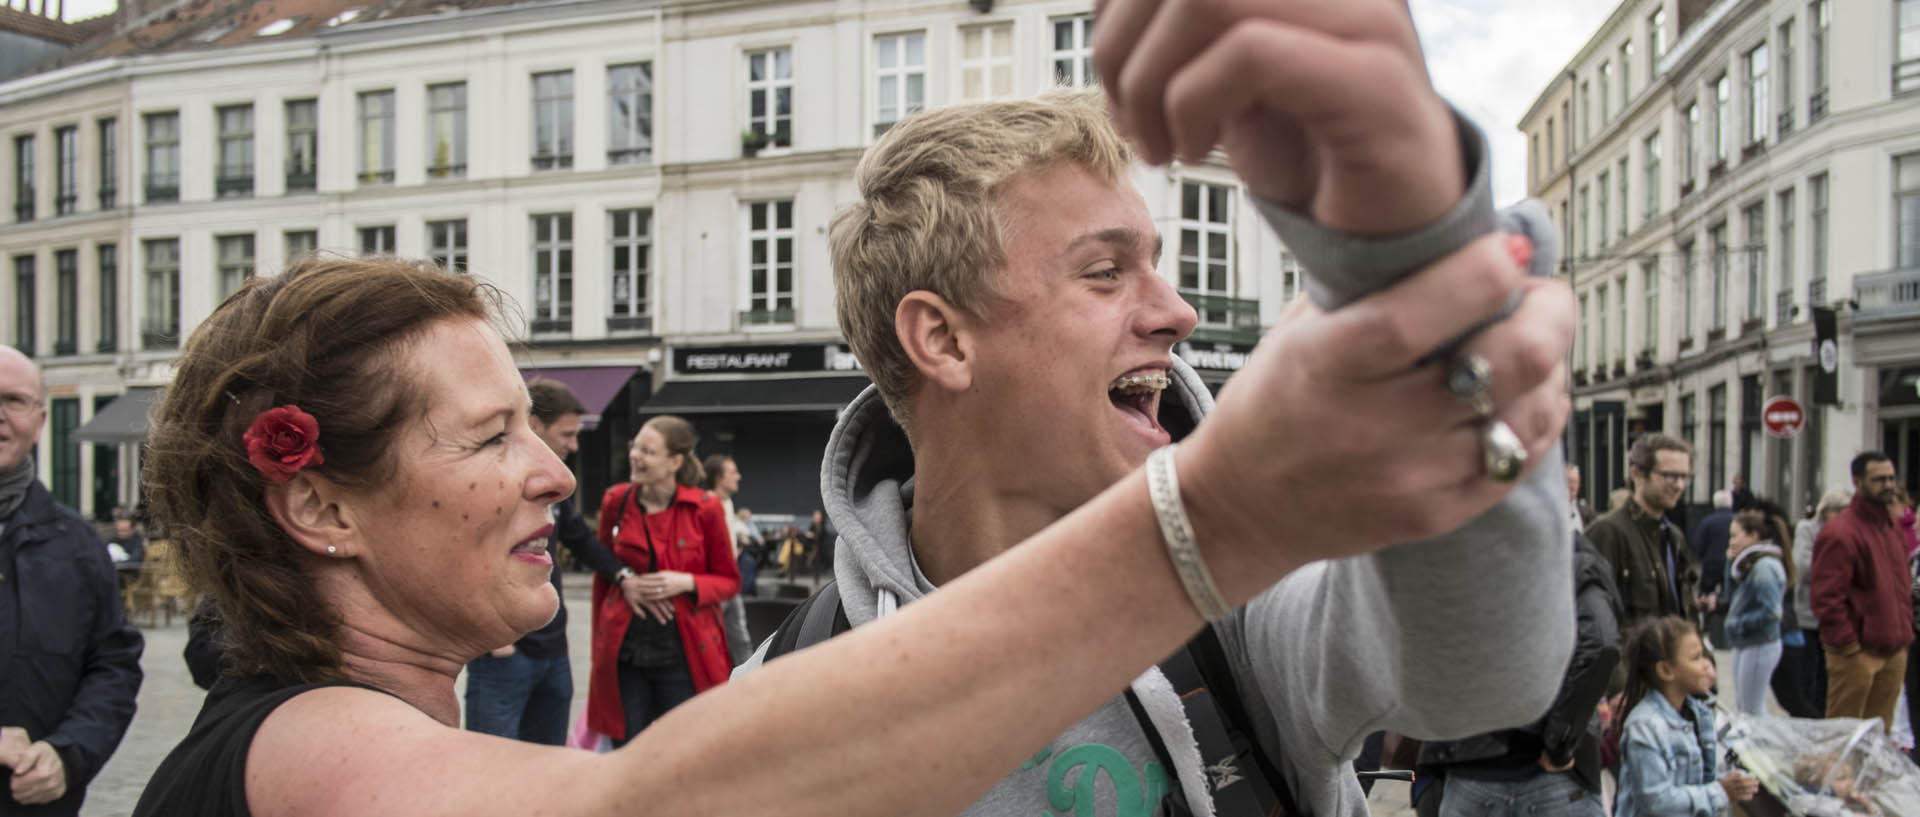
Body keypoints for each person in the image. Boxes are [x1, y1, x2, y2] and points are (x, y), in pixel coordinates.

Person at [128, 3, 1573, 813]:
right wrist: (1225, 509)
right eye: (495, 433)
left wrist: (1413, 265)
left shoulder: (1237, 624)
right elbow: (639, 812)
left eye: (540, 422)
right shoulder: (305, 752)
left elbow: (1482, 679)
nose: (558, 476)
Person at [737, 3, 1579, 812]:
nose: (1178, 312)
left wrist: (1417, 260)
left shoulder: (1233, 594)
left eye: (1157, 263)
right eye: (1105, 271)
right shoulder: (774, 703)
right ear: (944, 341)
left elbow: (1484, 674)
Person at [0, 346, 145, 815]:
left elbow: (113, 665)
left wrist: (69, 754)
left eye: (13, 400)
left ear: (40, 421)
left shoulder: (78, 545)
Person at [462, 377, 631, 746]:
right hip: (505, 652)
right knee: (493, 771)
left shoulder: (552, 487)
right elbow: (464, 548)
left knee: (547, 765)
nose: (574, 445)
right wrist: (494, 640)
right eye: (567, 434)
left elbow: (581, 540)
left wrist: (622, 574)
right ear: (534, 425)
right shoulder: (491, 481)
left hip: (553, 653)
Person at [1415, 532, 1623, 817]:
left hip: (1473, 767)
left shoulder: (1456, 550)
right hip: (1544, 772)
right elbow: (1601, 643)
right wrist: (1560, 741)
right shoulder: (1568, 552)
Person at [586, 416, 739, 745]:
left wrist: (685, 583)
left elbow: (729, 582)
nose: (635, 456)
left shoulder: (706, 508)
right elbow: (604, 571)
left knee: (685, 751)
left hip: (683, 656)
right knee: (627, 753)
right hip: (625, 655)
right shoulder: (616, 501)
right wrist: (623, 584)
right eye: (634, 446)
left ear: (675, 461)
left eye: (647, 451)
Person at [1614, 616, 1757, 817]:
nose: (1706, 665)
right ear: (1665, 670)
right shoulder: (1644, 726)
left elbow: (1701, 779)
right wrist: (1721, 791)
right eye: (1696, 657)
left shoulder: (1699, 714)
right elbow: (1656, 802)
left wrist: (1733, 782)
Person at [1813, 452, 1913, 730]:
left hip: (1893, 649)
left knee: (1879, 738)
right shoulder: (1840, 532)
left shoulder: (1892, 528)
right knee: (1843, 736)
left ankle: (1868, 776)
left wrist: (1903, 637)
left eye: (1891, 478)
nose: (1888, 485)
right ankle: (1838, 776)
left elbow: (1902, 586)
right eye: (1879, 479)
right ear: (1858, 482)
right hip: (1857, 654)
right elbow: (1826, 598)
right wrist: (1848, 648)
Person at [1588, 434, 1701, 633]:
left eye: (1685, 477)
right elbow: (1596, 624)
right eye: (1670, 476)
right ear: (1636, 474)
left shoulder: (1674, 537)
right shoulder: (1607, 533)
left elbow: (1686, 611)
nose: (1679, 486)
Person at [1776, 488, 1850, 718]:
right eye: (1839, 512)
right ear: (1827, 510)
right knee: (1807, 675)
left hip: (1835, 616)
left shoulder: (1848, 533)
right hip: (1807, 614)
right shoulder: (1808, 529)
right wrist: (1837, 568)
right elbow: (1802, 566)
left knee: (1826, 679)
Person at [1725, 508, 1793, 716]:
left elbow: (1772, 612)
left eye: (1736, 535)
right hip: (1747, 642)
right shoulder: (1749, 564)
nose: (1731, 541)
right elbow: (1732, 596)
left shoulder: (1764, 567)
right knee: (1745, 706)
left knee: (1751, 710)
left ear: (1753, 535)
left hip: (1759, 642)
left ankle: (1758, 747)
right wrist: (1729, 562)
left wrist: (1738, 624)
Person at [702, 453, 753, 664]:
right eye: (733, 472)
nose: (738, 476)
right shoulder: (706, 505)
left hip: (731, 580)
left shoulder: (728, 503)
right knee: (710, 636)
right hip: (715, 584)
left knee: (740, 637)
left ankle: (749, 680)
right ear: (719, 478)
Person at [1691, 489, 1734, 647]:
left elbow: (1698, 543)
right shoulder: (1735, 520)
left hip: (1711, 563)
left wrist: (1703, 556)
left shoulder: (1707, 521)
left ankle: (1708, 628)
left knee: (1706, 595)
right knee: (1727, 595)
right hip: (1729, 563)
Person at [1567, 464, 1596, 528]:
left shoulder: (1585, 509)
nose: (1572, 486)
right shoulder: (1552, 510)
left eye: (1575, 482)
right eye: (1569, 481)